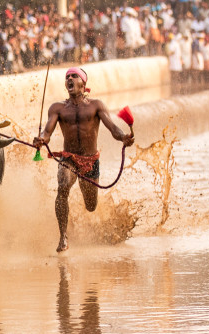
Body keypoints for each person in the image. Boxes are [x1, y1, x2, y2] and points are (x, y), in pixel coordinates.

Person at [33, 67, 134, 252]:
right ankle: (63, 236)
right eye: (67, 77)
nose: (69, 79)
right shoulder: (58, 108)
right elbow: (47, 132)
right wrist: (41, 139)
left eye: (74, 76)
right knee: (63, 186)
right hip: (69, 158)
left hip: (90, 161)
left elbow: (113, 128)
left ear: (83, 83)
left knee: (91, 206)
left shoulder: (96, 105)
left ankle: (83, 225)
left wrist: (124, 138)